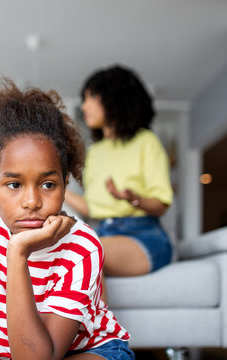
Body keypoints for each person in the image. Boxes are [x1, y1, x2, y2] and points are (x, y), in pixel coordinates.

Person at [0, 79, 134, 360]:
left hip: (93, 352)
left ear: (65, 185)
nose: (32, 202)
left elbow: (39, 359)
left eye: (48, 185)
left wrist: (17, 252)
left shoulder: (82, 246)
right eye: (14, 185)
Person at [65, 65, 173, 277]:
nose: (84, 106)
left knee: (84, 251)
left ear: (115, 98)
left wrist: (135, 200)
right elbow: (92, 208)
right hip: (102, 232)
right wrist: (56, 188)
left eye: (91, 97)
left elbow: (161, 205)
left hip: (143, 234)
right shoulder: (95, 151)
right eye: (83, 98)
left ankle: (99, 313)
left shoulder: (146, 142)